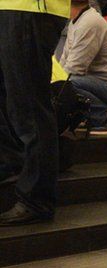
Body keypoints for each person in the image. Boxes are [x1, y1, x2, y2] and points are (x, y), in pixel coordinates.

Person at [0, 0, 68, 226]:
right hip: (11, 9)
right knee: (12, 99)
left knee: (29, 106)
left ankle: (37, 198)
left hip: (30, 9)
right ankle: (13, 164)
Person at [60, 0, 107, 135]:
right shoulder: (75, 21)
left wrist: (55, 85)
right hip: (99, 84)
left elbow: (75, 69)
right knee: (62, 82)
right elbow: (65, 62)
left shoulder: (89, 22)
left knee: (68, 82)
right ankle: (89, 117)